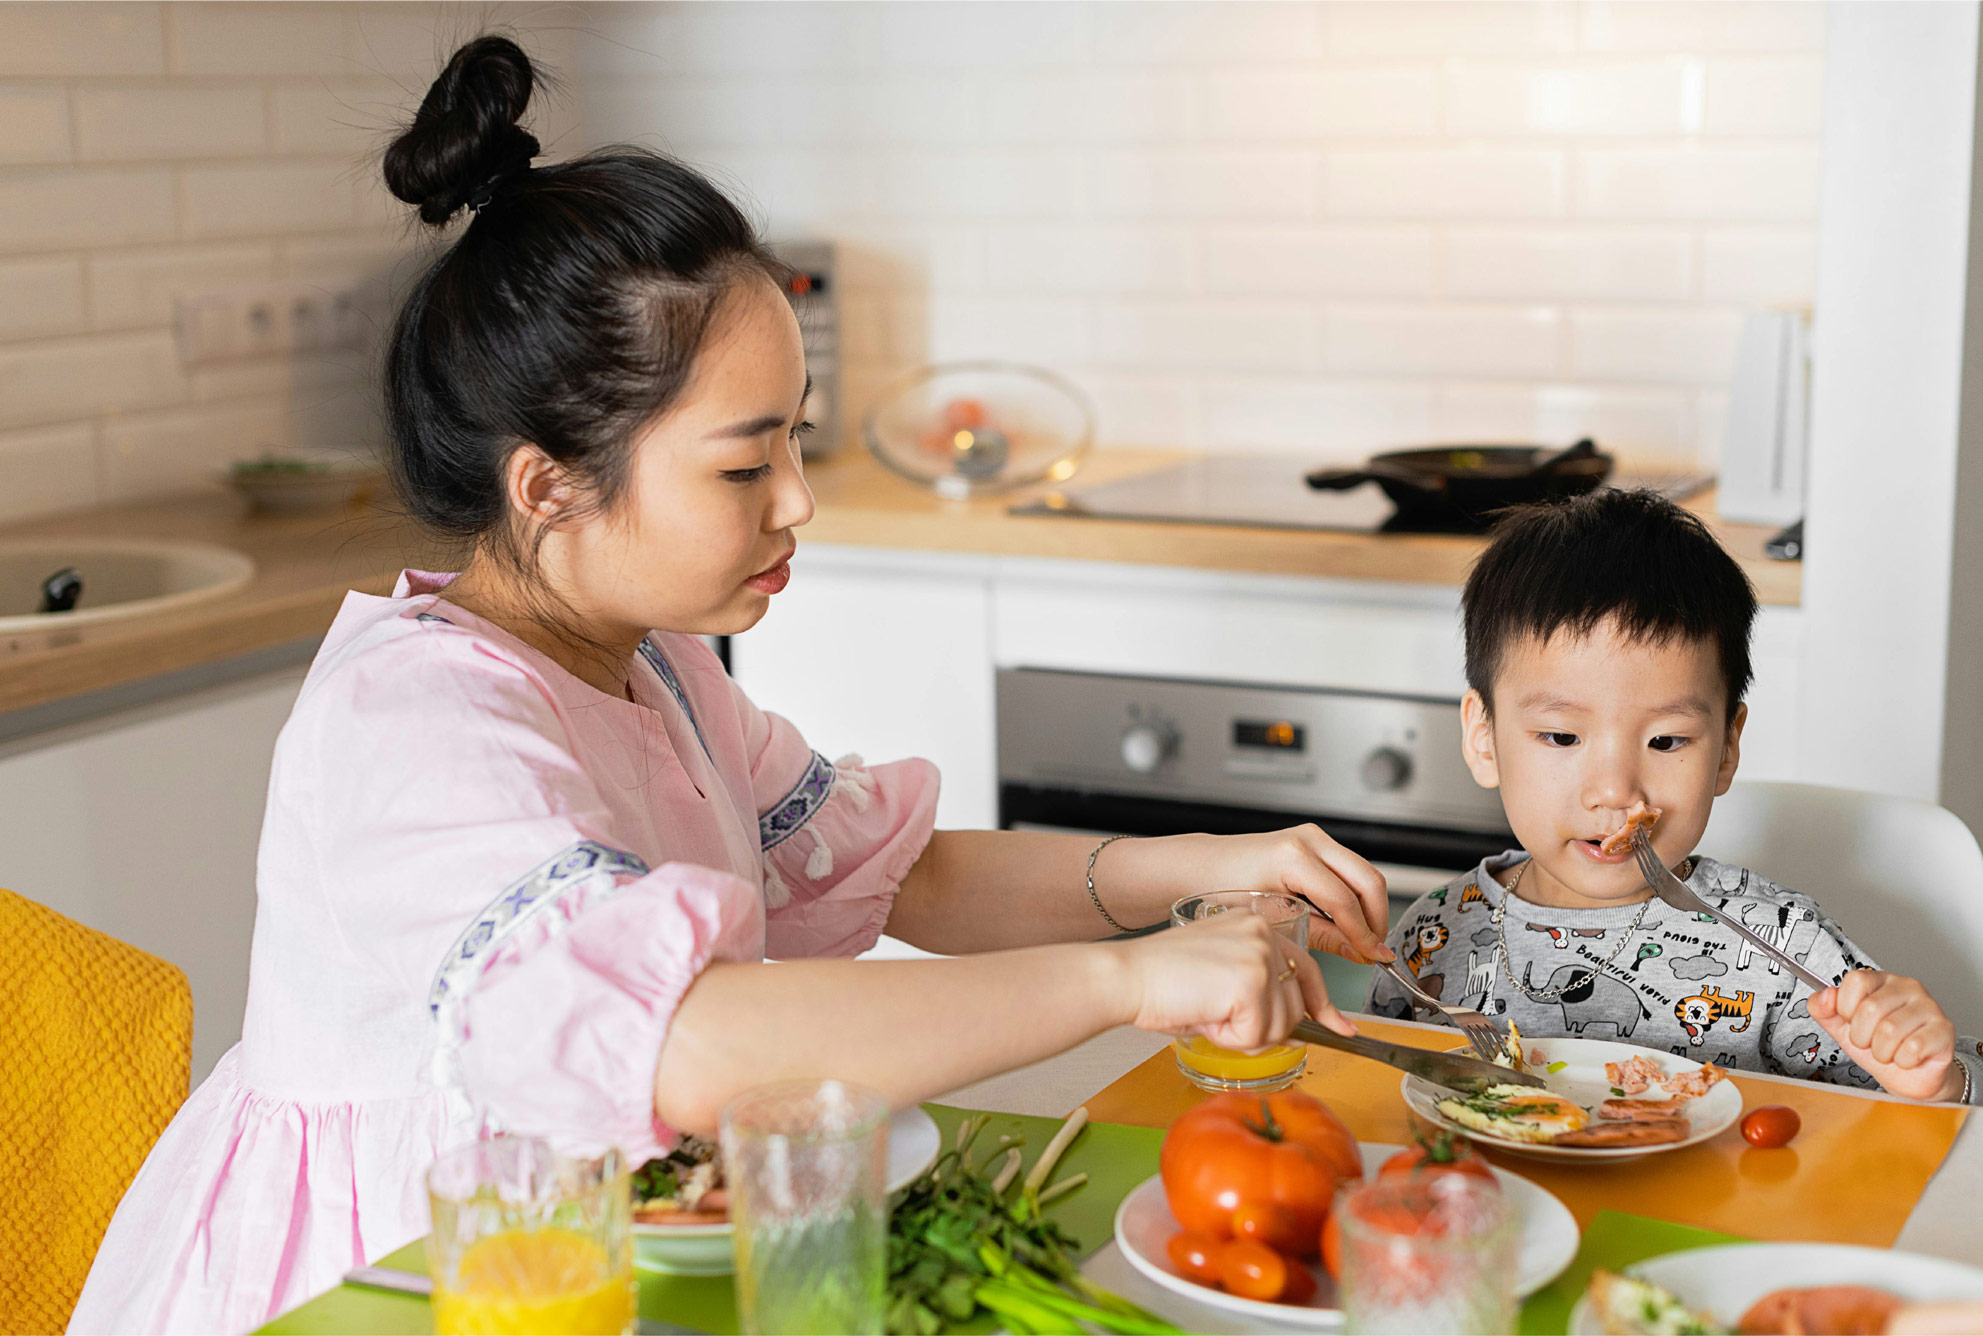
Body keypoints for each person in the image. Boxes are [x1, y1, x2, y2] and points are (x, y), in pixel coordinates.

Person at [69, 36, 1394, 1335]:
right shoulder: (416, 725)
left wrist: (1211, 866)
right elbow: (687, 1043)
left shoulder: (661, 672)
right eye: (745, 468)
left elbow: (910, 878)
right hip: (376, 1281)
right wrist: (1134, 982)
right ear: (551, 486)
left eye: (795, 445)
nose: (800, 501)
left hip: (579, 1257)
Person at [1364, 488, 1983, 1106]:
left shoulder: (1779, 945)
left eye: (1667, 741)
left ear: (1726, 747)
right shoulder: (1433, 936)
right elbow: (1375, 1095)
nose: (1616, 790)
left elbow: (1958, 1102)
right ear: (1484, 738)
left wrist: (1938, 1083)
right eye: (1562, 735)